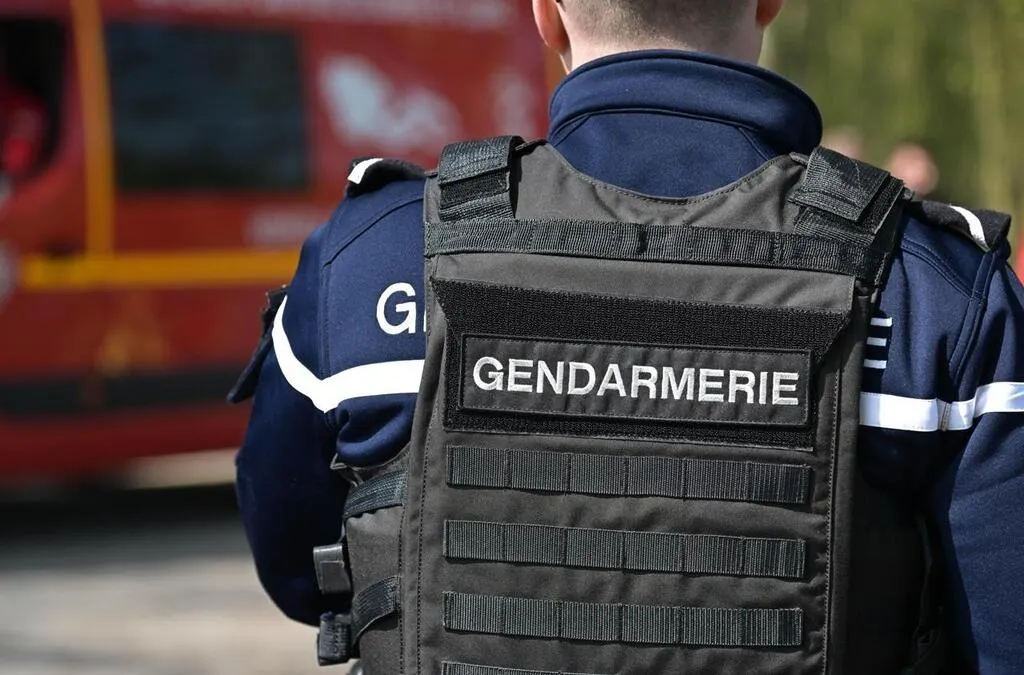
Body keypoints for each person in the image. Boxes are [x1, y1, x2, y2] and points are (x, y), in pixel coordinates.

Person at [233, 1, 1024, 673]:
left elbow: (302, 570)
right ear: (768, 1)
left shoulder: (370, 256)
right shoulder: (936, 290)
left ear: (546, 13)